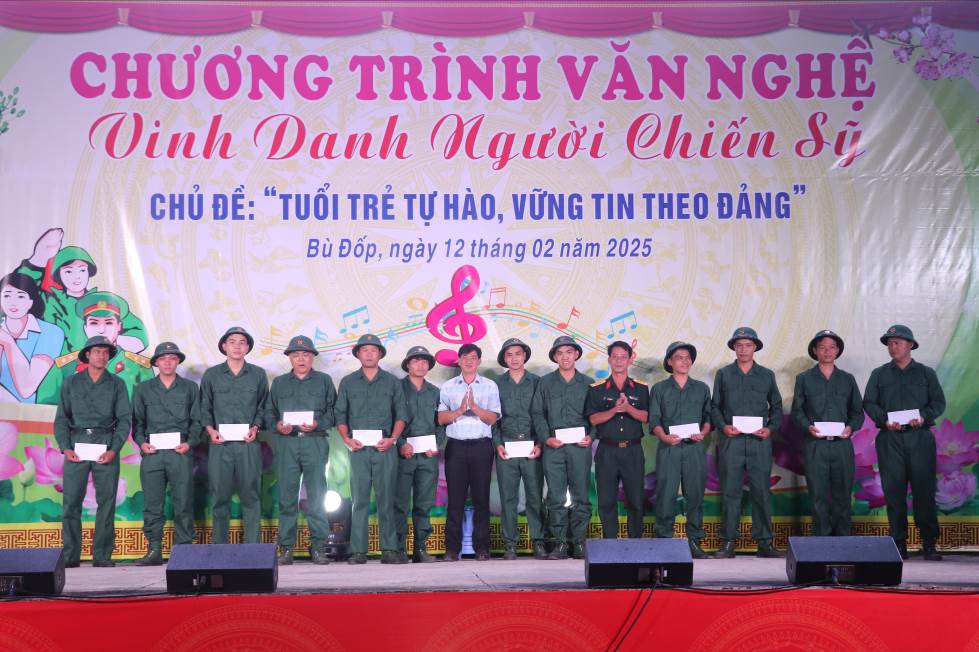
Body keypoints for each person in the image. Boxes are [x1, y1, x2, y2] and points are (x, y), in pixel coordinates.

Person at [864, 324, 946, 561]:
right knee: (894, 493)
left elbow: (938, 403)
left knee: (924, 491)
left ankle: (929, 543)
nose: (893, 347)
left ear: (911, 345)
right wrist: (884, 420)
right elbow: (869, 403)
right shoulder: (879, 374)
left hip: (920, 437)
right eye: (889, 343)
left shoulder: (926, 373)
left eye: (897, 342)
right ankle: (898, 543)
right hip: (890, 439)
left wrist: (923, 417)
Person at [53, 335, 131, 567]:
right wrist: (66, 448)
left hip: (105, 445)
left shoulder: (117, 384)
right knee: (71, 502)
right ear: (87, 355)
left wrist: (114, 449)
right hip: (77, 446)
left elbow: (124, 420)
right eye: (97, 351)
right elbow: (61, 419)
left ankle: (102, 555)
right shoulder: (71, 383)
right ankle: (70, 555)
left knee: (106, 502)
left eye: (106, 352)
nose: (102, 356)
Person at [711, 327, 783, 559]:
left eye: (748, 345)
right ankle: (728, 543)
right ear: (734, 347)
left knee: (761, 492)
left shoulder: (766, 375)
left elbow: (777, 407)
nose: (743, 349)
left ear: (755, 348)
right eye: (739, 345)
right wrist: (723, 426)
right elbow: (715, 407)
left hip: (758, 442)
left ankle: (764, 543)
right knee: (730, 492)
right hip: (731, 441)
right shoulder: (724, 374)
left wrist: (770, 429)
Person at [336, 333, 408, 564]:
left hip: (384, 449)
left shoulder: (392, 382)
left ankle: (389, 549)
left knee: (387, 499)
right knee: (359, 500)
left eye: (373, 350)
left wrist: (393, 439)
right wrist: (347, 439)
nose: (369, 354)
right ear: (358, 354)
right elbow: (340, 415)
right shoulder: (348, 382)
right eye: (364, 350)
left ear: (380, 354)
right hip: (358, 450)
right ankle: (358, 551)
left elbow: (401, 415)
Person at [266, 335, 337, 565]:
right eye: (296, 355)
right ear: (289, 358)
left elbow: (334, 412)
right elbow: (269, 413)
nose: (301, 359)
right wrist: (278, 425)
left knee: (316, 496)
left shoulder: (324, 381)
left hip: (314, 441)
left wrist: (318, 424)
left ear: (312, 357)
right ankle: (286, 548)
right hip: (287, 443)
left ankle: (318, 547)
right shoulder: (279, 383)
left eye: (306, 354)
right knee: (287, 497)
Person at [132, 341, 201, 565]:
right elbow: (137, 423)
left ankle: (184, 550)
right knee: (152, 504)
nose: (168, 362)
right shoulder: (142, 389)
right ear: (156, 363)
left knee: (183, 502)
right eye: (163, 358)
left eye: (172, 358)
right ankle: (154, 550)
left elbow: (197, 422)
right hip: (153, 454)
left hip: (180, 452)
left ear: (178, 361)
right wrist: (142, 444)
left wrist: (189, 443)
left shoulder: (190, 388)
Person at [791, 330, 863, 538]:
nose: (827, 351)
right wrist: (808, 427)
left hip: (842, 445)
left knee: (843, 495)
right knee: (818, 495)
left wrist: (851, 427)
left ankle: (842, 538)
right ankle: (821, 539)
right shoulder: (804, 379)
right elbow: (797, 411)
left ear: (837, 350)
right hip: (815, 446)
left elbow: (857, 412)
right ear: (815, 350)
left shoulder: (848, 379)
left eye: (832, 347)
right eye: (822, 347)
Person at [200, 326, 269, 544]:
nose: (237, 346)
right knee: (219, 497)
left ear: (248, 347)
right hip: (220, 445)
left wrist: (256, 428)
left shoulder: (258, 374)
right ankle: (219, 548)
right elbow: (204, 407)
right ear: (224, 346)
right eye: (232, 342)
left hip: (248, 445)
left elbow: (263, 406)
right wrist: (210, 430)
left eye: (242, 342)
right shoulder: (212, 375)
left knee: (251, 496)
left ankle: (253, 548)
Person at [532, 335, 594, 560]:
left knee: (581, 496)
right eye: (560, 353)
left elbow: (596, 415)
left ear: (576, 354)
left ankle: (578, 542)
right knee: (555, 496)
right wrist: (546, 438)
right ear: (555, 357)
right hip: (554, 447)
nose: (565, 356)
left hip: (579, 448)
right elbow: (537, 413)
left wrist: (591, 436)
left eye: (569, 352)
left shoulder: (588, 383)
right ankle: (559, 543)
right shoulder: (545, 383)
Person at [649, 341, 713, 558]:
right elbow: (654, 420)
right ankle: (664, 540)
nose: (684, 362)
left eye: (687, 358)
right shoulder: (659, 389)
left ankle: (694, 541)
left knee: (695, 495)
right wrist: (664, 437)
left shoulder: (702, 388)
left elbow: (708, 418)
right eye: (679, 358)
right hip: (669, 448)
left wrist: (703, 433)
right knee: (666, 495)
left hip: (694, 448)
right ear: (670, 362)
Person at [438, 343, 501, 561]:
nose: (469, 361)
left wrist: (474, 407)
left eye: (473, 357)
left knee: (481, 499)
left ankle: (482, 548)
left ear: (479, 361)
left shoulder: (490, 386)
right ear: (458, 360)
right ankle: (451, 549)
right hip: (455, 447)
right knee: (455, 500)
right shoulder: (448, 386)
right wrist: (459, 409)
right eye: (464, 357)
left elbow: (493, 418)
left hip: (481, 447)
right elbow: (441, 418)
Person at [586, 340, 649, 540]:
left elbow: (646, 417)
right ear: (609, 360)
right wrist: (614, 410)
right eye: (615, 357)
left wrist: (628, 408)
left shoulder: (641, 388)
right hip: (607, 451)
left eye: (623, 357)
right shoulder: (597, 389)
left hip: (633, 451)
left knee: (636, 500)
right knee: (606, 501)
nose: (619, 361)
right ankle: (609, 543)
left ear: (630, 359)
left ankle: (635, 542)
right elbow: (593, 419)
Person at [493, 338, 547, 560]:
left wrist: (541, 443)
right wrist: (497, 443)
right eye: (509, 355)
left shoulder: (538, 382)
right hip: (506, 448)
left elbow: (544, 415)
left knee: (535, 497)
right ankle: (510, 544)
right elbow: (493, 419)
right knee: (508, 498)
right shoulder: (496, 384)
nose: (514, 358)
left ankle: (539, 542)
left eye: (518, 353)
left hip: (532, 448)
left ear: (525, 355)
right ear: (504, 359)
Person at [43, 246, 147, 354]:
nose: (77, 276)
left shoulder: (100, 301)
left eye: (82, 270)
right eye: (69, 271)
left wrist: (116, 342)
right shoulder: (51, 302)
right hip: (66, 362)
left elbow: (138, 332)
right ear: (59, 275)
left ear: (88, 272)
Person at [53, 291, 154, 399]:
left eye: (109, 323)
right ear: (85, 328)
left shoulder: (139, 366)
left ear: (119, 326)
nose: (101, 330)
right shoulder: (66, 366)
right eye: (94, 323)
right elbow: (48, 405)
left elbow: (151, 404)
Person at [394, 345, 442, 563]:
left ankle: (420, 548)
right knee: (400, 504)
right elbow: (389, 419)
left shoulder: (435, 392)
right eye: (416, 361)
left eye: (425, 361)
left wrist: (437, 444)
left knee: (424, 504)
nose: (421, 365)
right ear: (407, 365)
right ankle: (398, 548)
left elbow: (441, 423)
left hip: (427, 456)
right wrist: (400, 443)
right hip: (403, 455)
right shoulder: (397, 388)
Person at [0, 272, 64, 403]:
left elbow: (27, 389)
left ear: (31, 302)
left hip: (36, 412)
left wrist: (8, 343)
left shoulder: (51, 332)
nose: (13, 302)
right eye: (7, 295)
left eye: (20, 296)